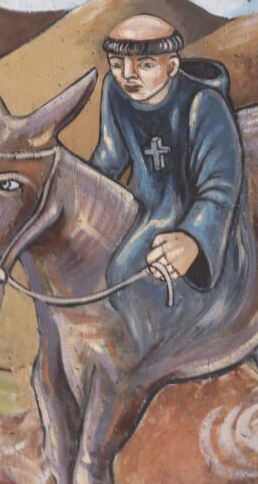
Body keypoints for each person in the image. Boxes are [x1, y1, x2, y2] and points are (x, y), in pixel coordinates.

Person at [88, 15, 244, 293]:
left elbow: (219, 187)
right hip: (141, 210)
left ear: (171, 66)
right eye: (116, 64)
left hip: (191, 218)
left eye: (145, 65)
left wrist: (192, 239)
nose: (128, 75)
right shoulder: (115, 91)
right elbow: (109, 160)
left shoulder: (203, 104)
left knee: (125, 276)